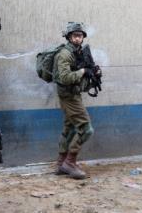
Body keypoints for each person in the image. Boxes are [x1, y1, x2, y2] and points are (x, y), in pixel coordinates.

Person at [53, 22, 100, 180]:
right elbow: (65, 77)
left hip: (74, 94)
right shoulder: (65, 54)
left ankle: (61, 164)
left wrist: (93, 72)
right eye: (75, 35)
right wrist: (82, 71)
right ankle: (70, 162)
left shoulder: (78, 52)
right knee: (86, 130)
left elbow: (85, 69)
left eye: (80, 36)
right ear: (69, 37)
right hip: (69, 96)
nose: (78, 38)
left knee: (70, 128)